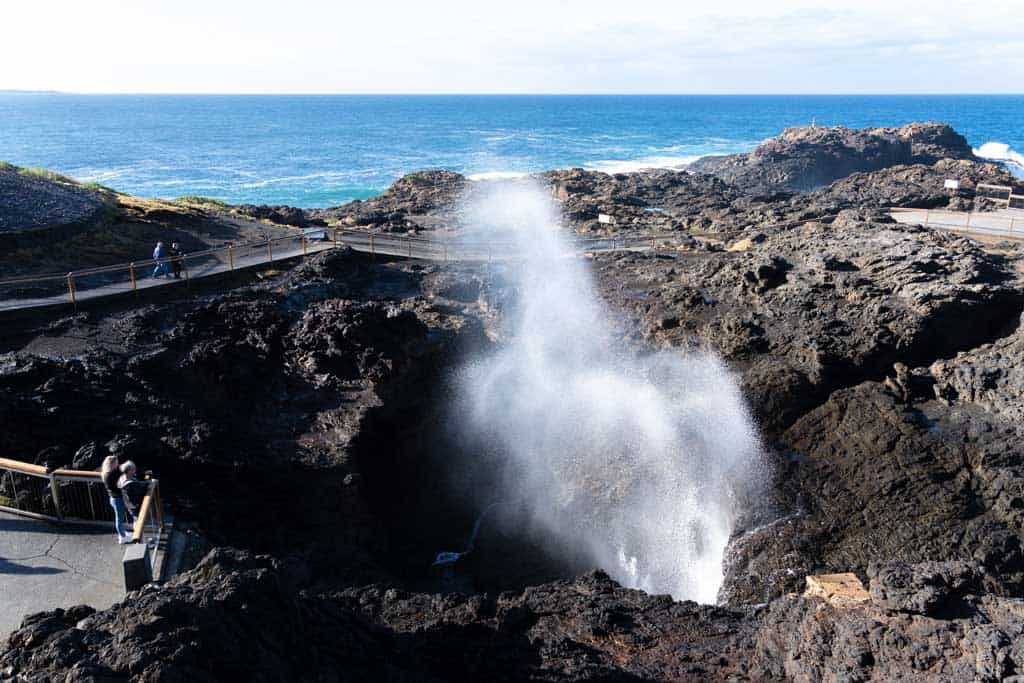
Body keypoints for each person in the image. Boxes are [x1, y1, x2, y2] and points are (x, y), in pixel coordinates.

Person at [101, 455, 131, 544]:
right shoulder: (111, 475)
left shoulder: (107, 473)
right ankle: (122, 537)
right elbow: (119, 482)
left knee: (120, 518)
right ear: (112, 464)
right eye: (116, 463)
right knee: (119, 519)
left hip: (113, 498)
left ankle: (123, 533)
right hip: (117, 499)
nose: (118, 464)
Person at [118, 460, 150, 529]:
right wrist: (148, 482)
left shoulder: (122, 477)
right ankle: (137, 537)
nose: (135, 470)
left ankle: (138, 536)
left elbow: (136, 480)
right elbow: (140, 489)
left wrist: (144, 474)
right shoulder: (129, 484)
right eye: (133, 469)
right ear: (129, 471)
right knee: (138, 521)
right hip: (134, 505)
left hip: (129, 504)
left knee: (136, 519)